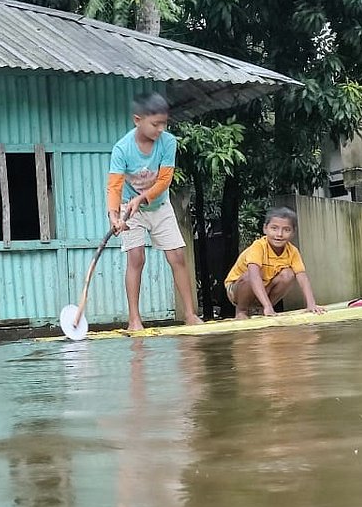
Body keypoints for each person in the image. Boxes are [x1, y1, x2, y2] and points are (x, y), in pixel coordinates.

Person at [107, 93, 202, 331]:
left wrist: (143, 197)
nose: (160, 129)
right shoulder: (122, 149)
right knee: (136, 257)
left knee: (177, 256)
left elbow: (164, 179)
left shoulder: (168, 142)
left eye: (164, 124)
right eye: (155, 124)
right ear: (137, 120)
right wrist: (114, 216)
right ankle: (134, 320)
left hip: (159, 205)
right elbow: (115, 186)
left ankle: (190, 314)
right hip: (130, 208)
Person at [224, 207, 325, 319]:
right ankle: (242, 311)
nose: (279, 234)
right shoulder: (258, 246)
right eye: (274, 228)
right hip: (238, 289)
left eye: (286, 230)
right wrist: (266, 304)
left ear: (293, 233)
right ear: (265, 229)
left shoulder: (292, 251)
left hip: (265, 286)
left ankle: (265, 309)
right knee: (249, 275)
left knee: (288, 274)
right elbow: (254, 276)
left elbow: (302, 277)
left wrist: (311, 304)